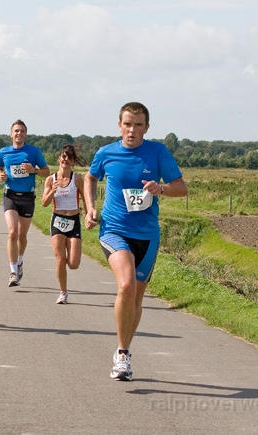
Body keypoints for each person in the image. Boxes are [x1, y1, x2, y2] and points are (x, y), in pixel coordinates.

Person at [83, 102, 188, 381]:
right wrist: (90, 208)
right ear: (119, 125)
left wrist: (161, 188)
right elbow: (90, 177)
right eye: (127, 124)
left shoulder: (157, 152)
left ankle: (125, 350)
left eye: (138, 124)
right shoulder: (106, 153)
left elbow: (181, 187)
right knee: (126, 285)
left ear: (146, 128)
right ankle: (121, 355)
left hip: (148, 235)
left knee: (136, 298)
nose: (132, 130)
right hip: (114, 229)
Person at [0, 120, 50, 287]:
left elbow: (46, 171)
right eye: (16, 131)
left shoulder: (33, 152)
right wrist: (0, 175)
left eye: (22, 131)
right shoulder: (4, 152)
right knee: (12, 232)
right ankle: (12, 272)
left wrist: (33, 170)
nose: (19, 134)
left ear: (26, 134)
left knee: (22, 236)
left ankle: (19, 262)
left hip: (27, 197)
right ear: (11, 134)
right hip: (10, 195)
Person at [41, 144, 87, 304]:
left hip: (74, 221)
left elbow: (85, 199)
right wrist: (52, 191)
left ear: (72, 162)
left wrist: (88, 215)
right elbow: (44, 203)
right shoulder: (50, 179)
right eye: (63, 156)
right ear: (59, 159)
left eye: (69, 157)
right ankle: (63, 293)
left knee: (73, 264)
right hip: (58, 221)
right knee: (60, 259)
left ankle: (66, 267)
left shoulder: (77, 179)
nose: (65, 159)